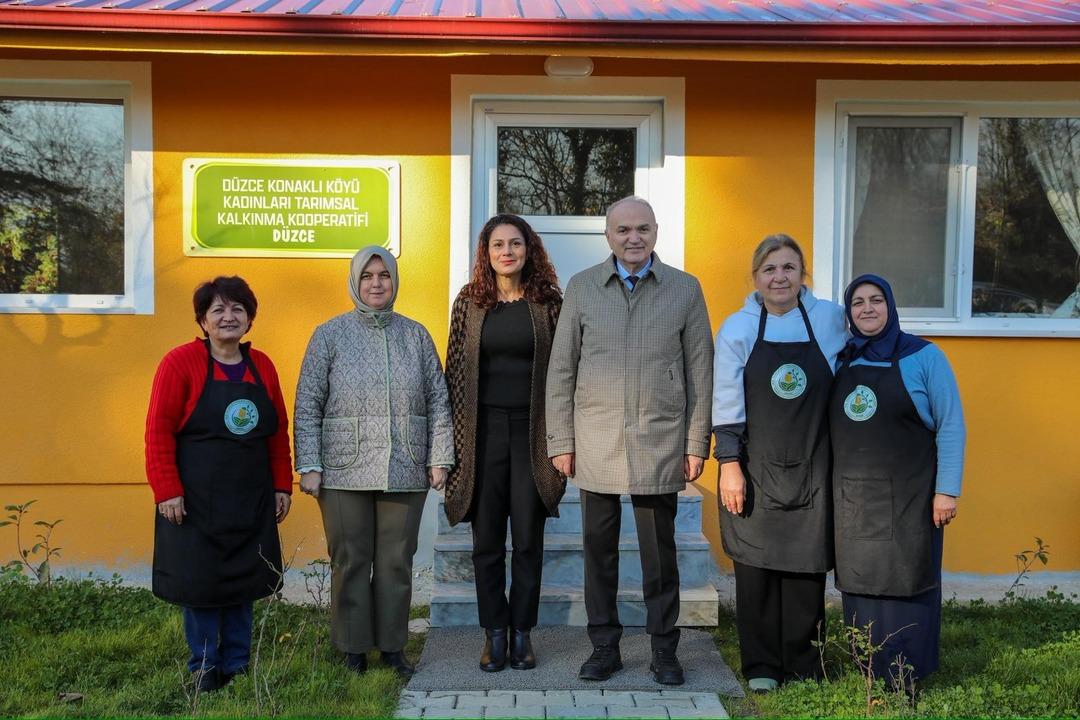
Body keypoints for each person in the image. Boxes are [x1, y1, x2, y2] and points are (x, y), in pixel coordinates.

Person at [546, 196, 713, 686]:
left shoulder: (684, 289)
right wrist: (562, 438)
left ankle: (665, 649)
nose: (633, 238)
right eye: (623, 230)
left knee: (660, 555)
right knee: (599, 553)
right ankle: (604, 647)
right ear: (608, 235)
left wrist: (695, 441)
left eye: (642, 228)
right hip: (595, 440)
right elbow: (561, 370)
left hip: (659, 441)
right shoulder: (581, 289)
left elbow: (699, 369)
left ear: (656, 231)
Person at [293, 246, 454, 678]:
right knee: (350, 558)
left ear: (394, 281)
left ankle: (393, 647)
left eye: (384, 275)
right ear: (355, 282)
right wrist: (309, 463)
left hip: (404, 466)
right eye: (367, 276)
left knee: (395, 561)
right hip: (343, 469)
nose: (377, 283)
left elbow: (439, 401)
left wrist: (439, 457)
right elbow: (308, 403)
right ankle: (352, 647)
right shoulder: (329, 335)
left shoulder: (416, 335)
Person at [146, 276, 293, 693]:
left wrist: (283, 484)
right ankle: (205, 667)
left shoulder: (261, 366)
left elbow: (277, 432)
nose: (229, 317)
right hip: (194, 500)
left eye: (238, 310)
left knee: (244, 580)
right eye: (218, 310)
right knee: (202, 583)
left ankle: (238, 664)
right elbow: (158, 431)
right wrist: (167, 490)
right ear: (203, 320)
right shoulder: (179, 363)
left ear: (249, 320)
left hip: (250, 498)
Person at [712, 234, 846, 693]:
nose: (780, 277)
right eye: (770, 269)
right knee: (756, 569)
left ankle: (805, 664)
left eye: (789, 267)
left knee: (806, 570)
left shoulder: (830, 320)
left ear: (802, 274)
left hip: (814, 462)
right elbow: (726, 401)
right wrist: (729, 464)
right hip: (754, 466)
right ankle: (763, 666)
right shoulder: (737, 328)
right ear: (756, 278)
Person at [444, 214, 566, 672]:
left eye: (516, 243)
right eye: (498, 244)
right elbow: (454, 371)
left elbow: (566, 371)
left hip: (533, 434)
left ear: (529, 249)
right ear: (486, 253)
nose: (507, 251)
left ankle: (522, 634)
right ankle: (494, 634)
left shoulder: (550, 301)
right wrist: (450, 446)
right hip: (483, 434)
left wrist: (562, 439)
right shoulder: (469, 303)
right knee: (487, 541)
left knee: (529, 541)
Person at [830, 274, 965, 686]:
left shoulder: (925, 357)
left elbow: (951, 426)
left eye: (876, 300)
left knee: (907, 577)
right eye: (857, 302)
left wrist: (947, 490)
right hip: (853, 497)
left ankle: (907, 672)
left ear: (891, 306)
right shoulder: (842, 358)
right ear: (849, 312)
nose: (867, 308)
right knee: (862, 579)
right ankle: (869, 666)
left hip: (911, 496)